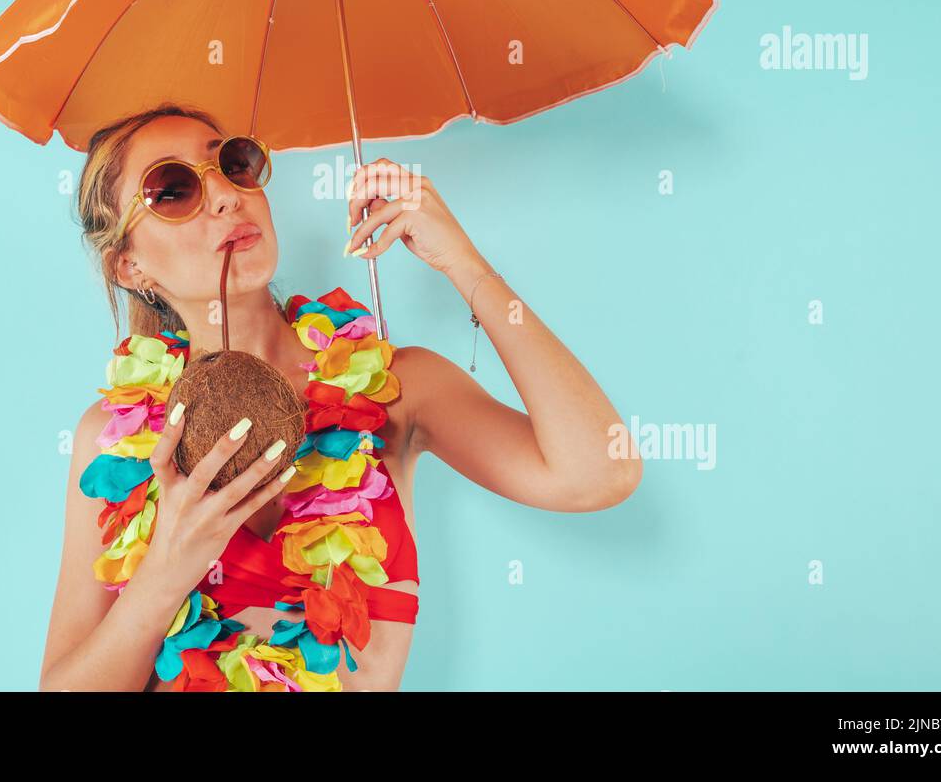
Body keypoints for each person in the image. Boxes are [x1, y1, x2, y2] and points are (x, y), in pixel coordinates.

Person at [38, 103, 642, 691]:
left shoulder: (395, 388)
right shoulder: (114, 439)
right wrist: (165, 574)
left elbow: (599, 472)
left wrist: (461, 261)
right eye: (171, 190)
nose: (226, 195)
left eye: (234, 163)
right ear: (129, 267)